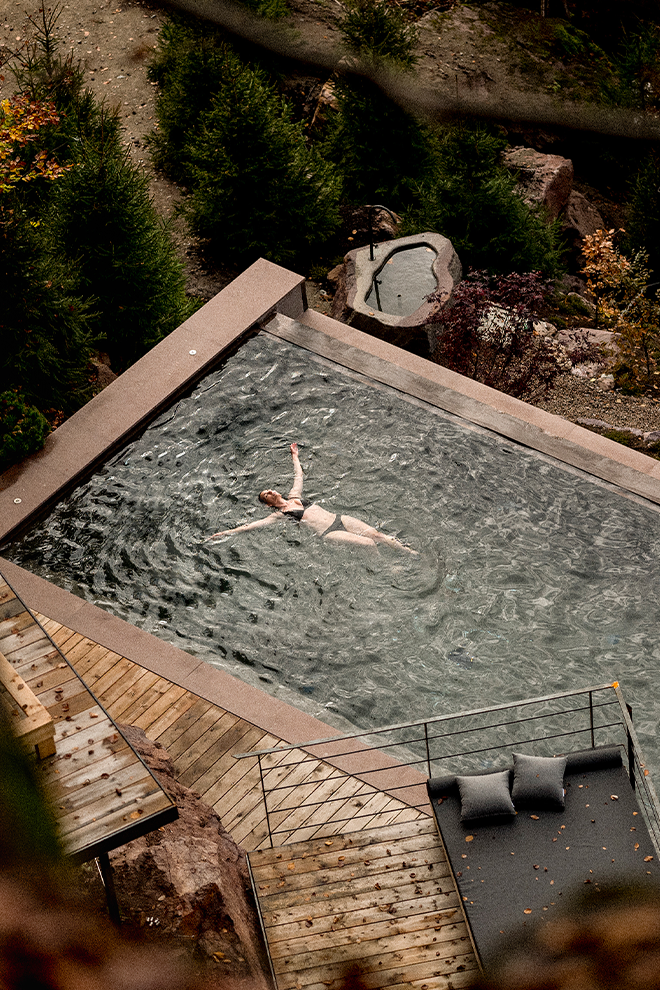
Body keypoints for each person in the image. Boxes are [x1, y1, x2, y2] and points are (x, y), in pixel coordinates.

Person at [209, 442, 417, 552]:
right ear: (268, 504)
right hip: (328, 532)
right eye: (267, 494)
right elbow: (251, 526)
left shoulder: (294, 496)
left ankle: (410, 553)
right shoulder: (281, 514)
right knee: (369, 545)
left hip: (339, 519)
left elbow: (298, 475)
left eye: (269, 489)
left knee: (377, 535)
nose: (271, 491)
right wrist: (225, 533)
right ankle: (388, 568)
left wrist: (294, 456)